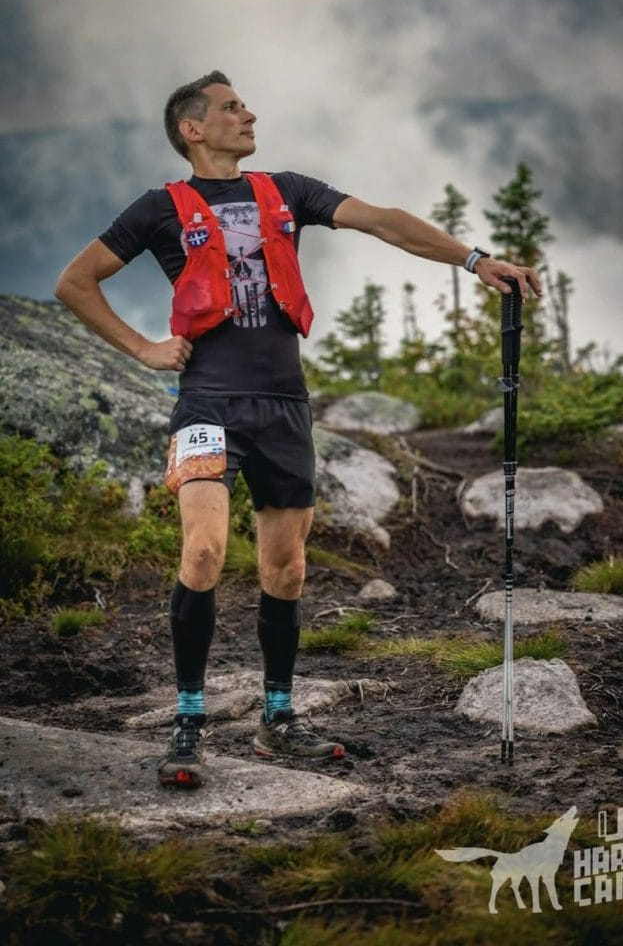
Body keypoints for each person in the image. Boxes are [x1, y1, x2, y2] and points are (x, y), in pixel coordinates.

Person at [55, 70, 541, 788]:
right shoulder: (160, 208)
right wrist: (143, 349)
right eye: (231, 108)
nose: (248, 114)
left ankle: (277, 719)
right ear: (193, 128)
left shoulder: (286, 191)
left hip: (284, 405)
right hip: (208, 404)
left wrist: (474, 260)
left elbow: (384, 220)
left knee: (286, 568)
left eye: (244, 105)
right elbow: (75, 281)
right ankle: (188, 722)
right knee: (204, 551)